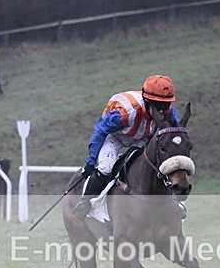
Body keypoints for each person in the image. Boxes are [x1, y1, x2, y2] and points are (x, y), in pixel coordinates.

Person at [73, 74, 180, 220]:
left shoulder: (169, 112)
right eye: (158, 105)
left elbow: (173, 134)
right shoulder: (125, 113)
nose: (162, 110)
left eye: (165, 105)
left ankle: (173, 202)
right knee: (106, 168)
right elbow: (100, 131)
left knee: (157, 164)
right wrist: (91, 161)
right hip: (115, 136)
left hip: (142, 137)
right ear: (147, 101)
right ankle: (85, 203)